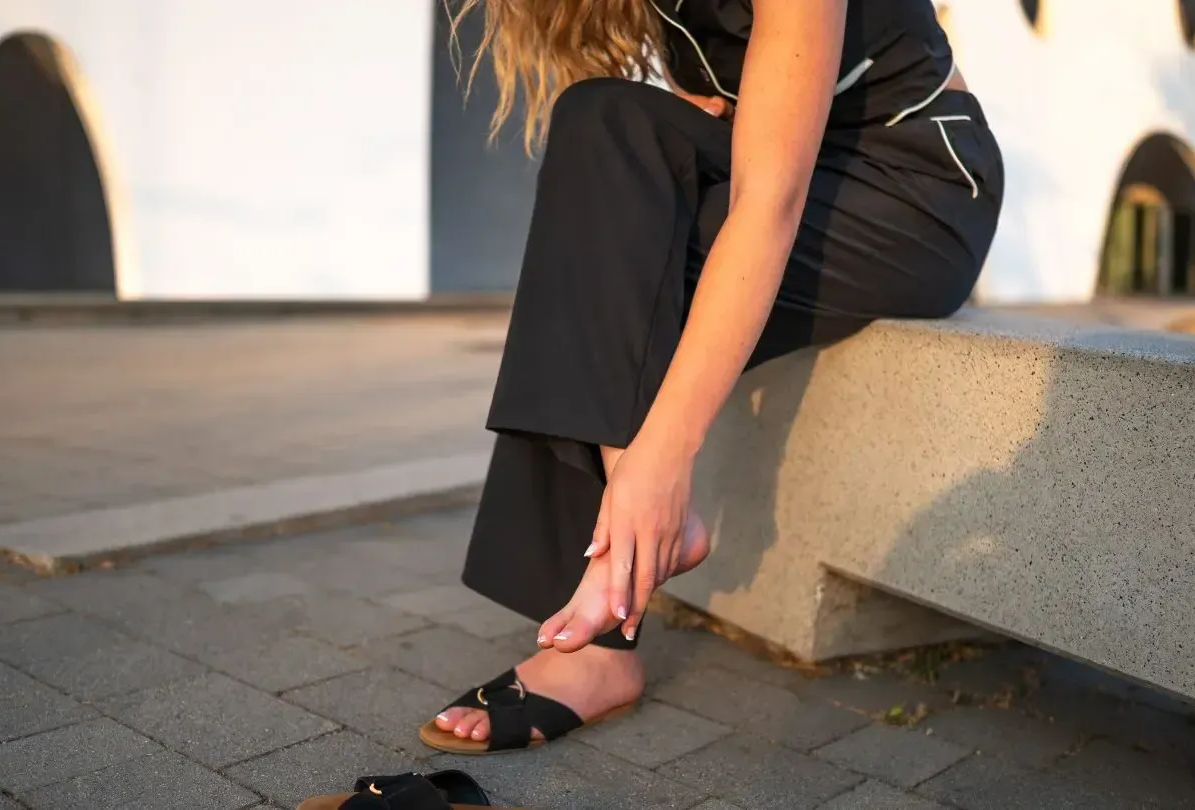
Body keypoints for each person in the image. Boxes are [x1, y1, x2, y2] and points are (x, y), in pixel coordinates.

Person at [419, 0, 1004, 754]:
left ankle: (604, 617)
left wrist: (664, 459)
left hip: (914, 185)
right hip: (805, 172)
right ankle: (620, 580)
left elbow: (768, 204)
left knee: (621, 247)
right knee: (600, 122)